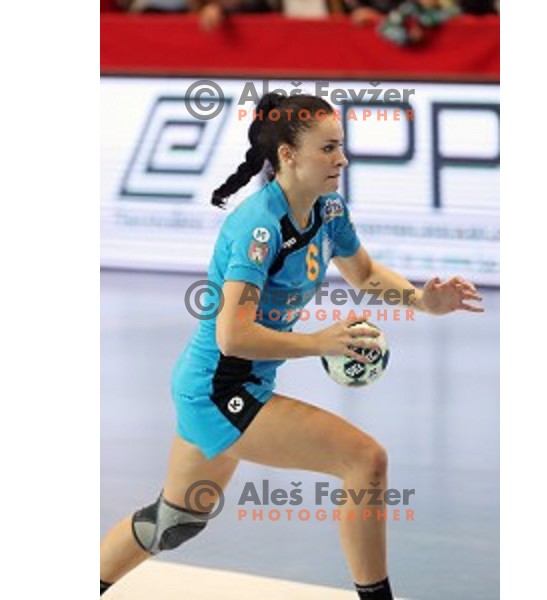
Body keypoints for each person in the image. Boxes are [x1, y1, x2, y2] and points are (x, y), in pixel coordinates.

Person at [99, 92, 484, 599]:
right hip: (220, 389)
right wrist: (318, 342)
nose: (341, 159)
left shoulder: (328, 208)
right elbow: (231, 335)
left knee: (173, 521)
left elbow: (364, 272)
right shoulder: (259, 226)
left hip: (231, 383)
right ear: (288, 155)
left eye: (341, 146)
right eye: (328, 148)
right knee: (365, 461)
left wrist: (422, 301)